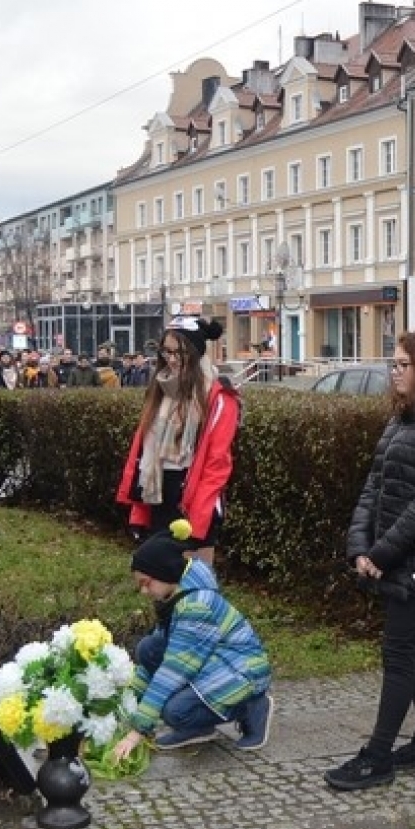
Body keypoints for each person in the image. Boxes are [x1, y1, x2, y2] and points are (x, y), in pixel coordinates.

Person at [326, 329, 415, 792]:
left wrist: (382, 554)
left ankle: (378, 757)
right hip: (394, 558)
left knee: (399, 655)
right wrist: (359, 548)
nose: (394, 373)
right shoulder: (400, 422)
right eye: (392, 364)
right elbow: (373, 487)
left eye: (401, 365)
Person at [107, 530, 273, 758]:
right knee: (149, 648)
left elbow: (174, 669)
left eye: (146, 583)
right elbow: (155, 661)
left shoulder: (196, 607)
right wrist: (124, 708)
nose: (144, 592)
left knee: (174, 711)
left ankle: (252, 707)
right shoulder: (174, 596)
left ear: (164, 572)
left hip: (244, 671)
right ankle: (199, 726)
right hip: (214, 661)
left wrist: (137, 731)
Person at [115, 316, 239, 564]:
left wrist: (200, 510)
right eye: (167, 351)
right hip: (158, 487)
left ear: (195, 352)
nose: (171, 359)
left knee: (195, 575)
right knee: (162, 574)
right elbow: (143, 445)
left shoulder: (218, 396)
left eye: (179, 352)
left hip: (193, 493)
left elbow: (217, 461)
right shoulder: (160, 388)